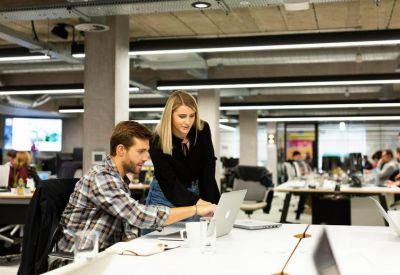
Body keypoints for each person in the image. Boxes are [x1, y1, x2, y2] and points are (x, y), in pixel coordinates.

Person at [57, 121, 216, 253]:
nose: (146, 158)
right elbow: (139, 216)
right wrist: (195, 209)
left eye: (147, 151)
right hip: (78, 262)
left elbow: (122, 224)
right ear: (121, 150)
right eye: (140, 151)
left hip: (104, 255)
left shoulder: (119, 179)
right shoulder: (101, 177)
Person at [145, 90, 220, 218]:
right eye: (182, 116)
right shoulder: (157, 140)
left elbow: (208, 171)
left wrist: (215, 204)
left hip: (196, 194)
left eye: (192, 116)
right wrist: (200, 204)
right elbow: (170, 184)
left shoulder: (201, 130)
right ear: (170, 115)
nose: (188, 122)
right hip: (164, 196)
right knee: (158, 238)